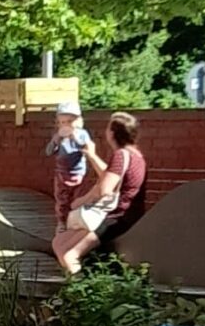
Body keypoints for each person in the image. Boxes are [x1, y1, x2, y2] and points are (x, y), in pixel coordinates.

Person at [47, 100, 103, 273]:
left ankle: (75, 222)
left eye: (69, 122)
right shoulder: (58, 135)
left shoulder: (81, 134)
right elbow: (49, 151)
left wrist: (72, 135)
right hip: (61, 173)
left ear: (78, 121)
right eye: (62, 122)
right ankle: (62, 221)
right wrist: (55, 141)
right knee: (62, 199)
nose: (65, 125)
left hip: (77, 173)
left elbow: (83, 145)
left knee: (77, 199)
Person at [86, 111, 149, 257]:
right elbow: (112, 176)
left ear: (113, 133)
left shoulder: (120, 155)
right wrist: (92, 156)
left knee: (70, 253)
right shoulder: (137, 156)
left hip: (116, 217)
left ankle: (76, 279)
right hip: (133, 217)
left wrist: (85, 200)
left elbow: (105, 189)